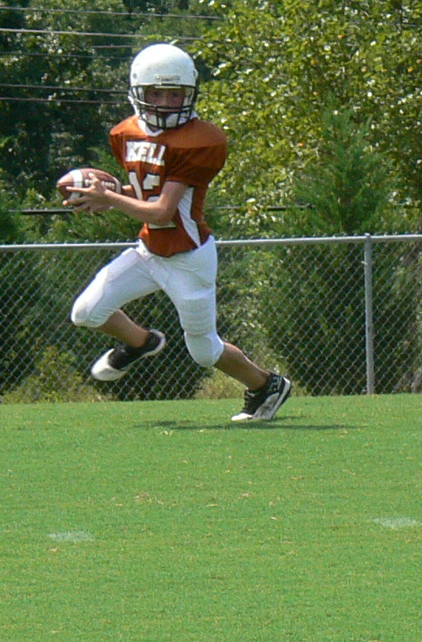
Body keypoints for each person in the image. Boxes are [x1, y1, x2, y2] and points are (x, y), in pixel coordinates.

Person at [63, 43, 292, 422]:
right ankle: (141, 342)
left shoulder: (201, 140)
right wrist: (112, 195)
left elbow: (163, 210)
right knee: (85, 312)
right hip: (149, 251)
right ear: (139, 91)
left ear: (190, 93)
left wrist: (111, 198)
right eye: (157, 93)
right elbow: (146, 191)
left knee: (203, 351)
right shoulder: (125, 133)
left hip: (189, 259)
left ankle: (267, 384)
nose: (167, 103)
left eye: (175, 94)